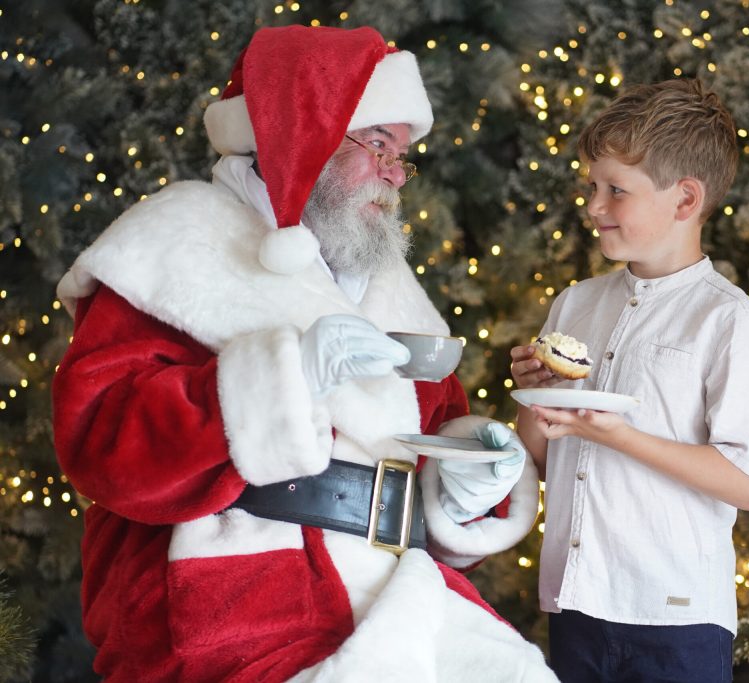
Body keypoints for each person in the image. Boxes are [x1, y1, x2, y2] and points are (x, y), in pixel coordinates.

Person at [52, 25, 556, 682]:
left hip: (397, 587)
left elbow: (431, 437)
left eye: (402, 156)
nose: (395, 174)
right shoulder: (175, 241)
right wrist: (281, 375)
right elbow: (100, 441)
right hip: (236, 598)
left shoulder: (384, 282)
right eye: (377, 144)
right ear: (303, 135)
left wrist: (466, 487)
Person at [511, 79, 749, 683]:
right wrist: (532, 401)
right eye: (592, 187)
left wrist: (618, 436)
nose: (593, 206)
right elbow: (536, 456)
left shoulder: (726, 318)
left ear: (685, 199)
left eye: (615, 191)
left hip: (675, 616)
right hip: (577, 601)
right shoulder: (574, 305)